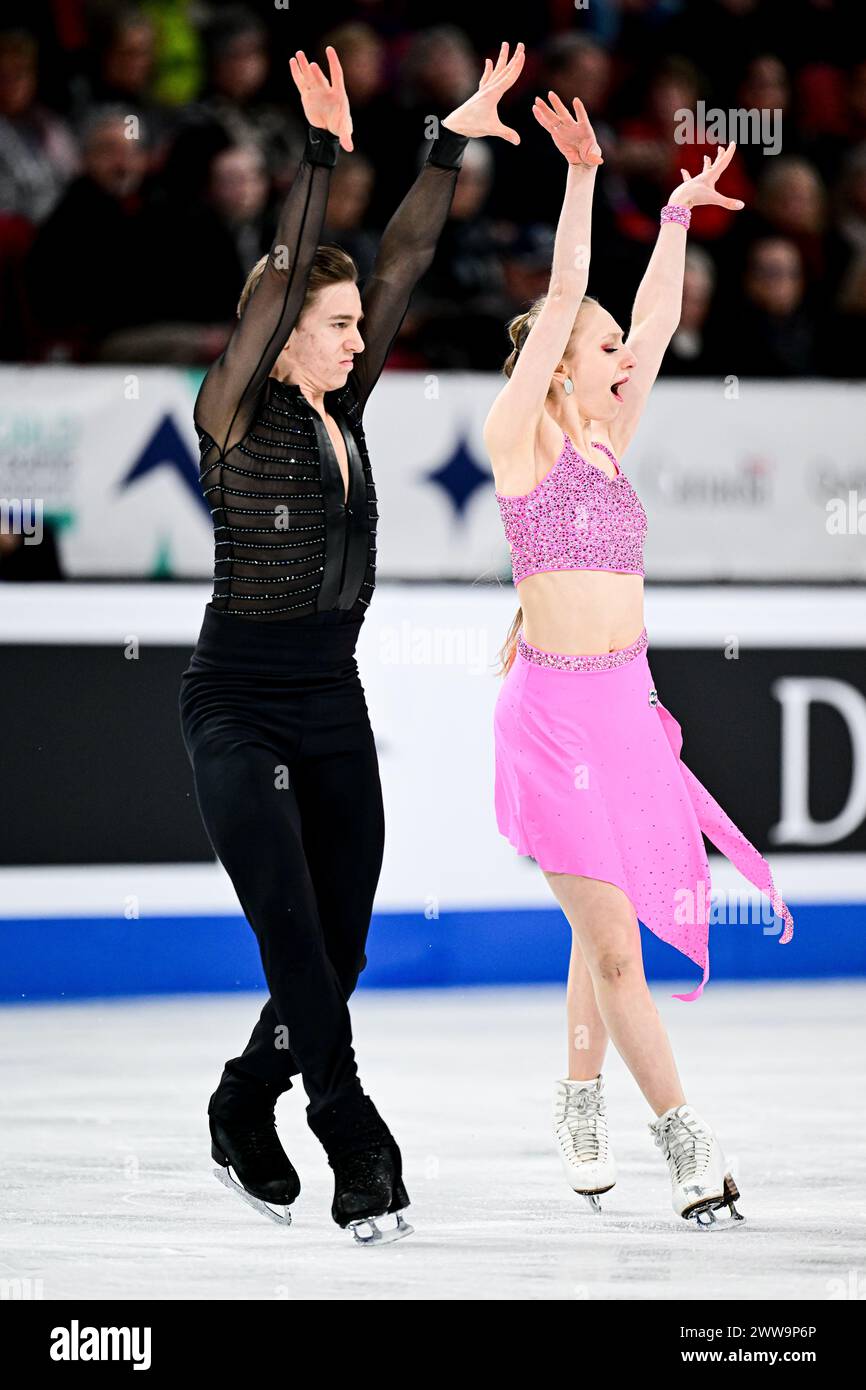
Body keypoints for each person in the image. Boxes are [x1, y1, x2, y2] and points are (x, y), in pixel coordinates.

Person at [178, 41, 525, 1243]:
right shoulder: (229, 413)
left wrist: (449, 137)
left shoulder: (345, 406)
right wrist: (319, 156)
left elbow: (412, 252)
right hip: (235, 702)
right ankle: (350, 1129)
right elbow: (280, 281)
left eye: (348, 326)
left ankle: (240, 1096)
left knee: (339, 948)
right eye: (328, 324)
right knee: (291, 928)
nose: (348, 336)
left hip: (332, 702)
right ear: (278, 335)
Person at [485, 94, 794, 1228]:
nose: (626, 354)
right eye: (603, 345)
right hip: (554, 719)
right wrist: (579, 183)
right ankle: (686, 1147)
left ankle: (576, 1093)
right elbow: (569, 294)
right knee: (615, 947)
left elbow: (655, 321)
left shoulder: (611, 438)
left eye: (621, 346)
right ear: (561, 359)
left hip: (627, 711)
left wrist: (670, 215)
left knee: (599, 919)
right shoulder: (518, 439)